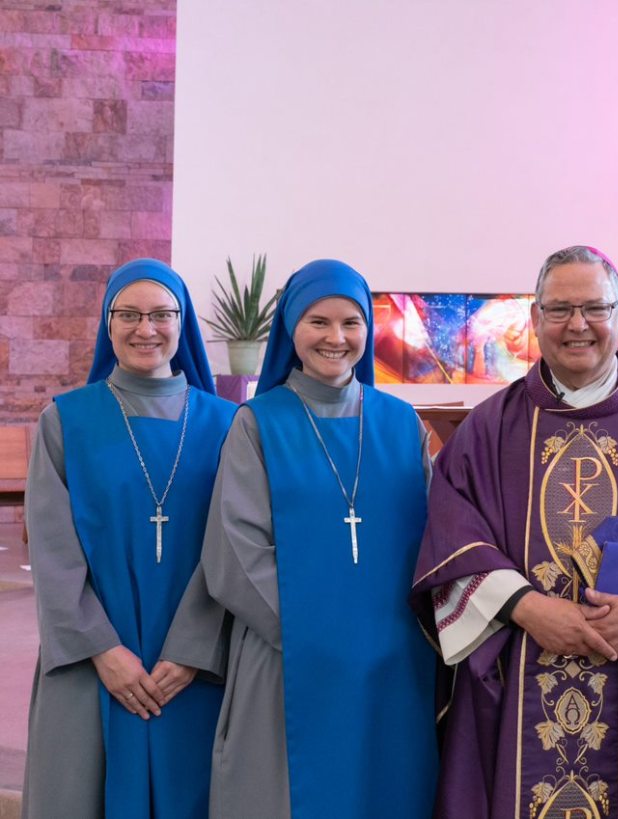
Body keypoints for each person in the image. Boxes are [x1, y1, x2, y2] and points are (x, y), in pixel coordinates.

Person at [412, 245, 618, 818]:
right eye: (560, 309)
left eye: (594, 308)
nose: (577, 325)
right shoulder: (487, 429)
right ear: (535, 319)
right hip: (518, 672)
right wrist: (526, 608)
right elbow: (452, 536)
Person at [202, 258, 437, 819]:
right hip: (289, 654)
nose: (336, 337)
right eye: (318, 322)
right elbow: (235, 550)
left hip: (393, 660)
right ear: (291, 329)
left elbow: (435, 541)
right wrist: (315, 633)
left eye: (351, 323)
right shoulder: (257, 423)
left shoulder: (401, 423)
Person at [22, 258, 235, 819]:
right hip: (90, 656)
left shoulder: (230, 424)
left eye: (162, 314)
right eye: (129, 315)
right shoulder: (65, 421)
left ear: (183, 322)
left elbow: (233, 546)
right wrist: (103, 649)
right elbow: (52, 549)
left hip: (194, 664)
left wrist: (191, 652)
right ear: (107, 323)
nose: (146, 329)